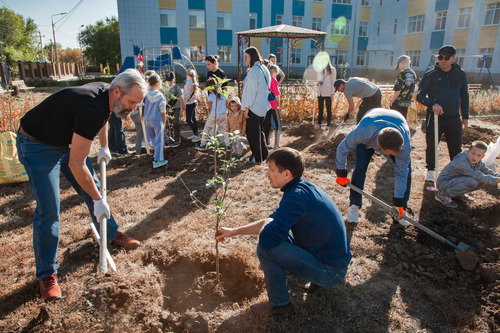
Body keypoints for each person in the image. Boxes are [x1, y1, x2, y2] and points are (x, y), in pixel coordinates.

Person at [16, 69, 146, 300]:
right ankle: (47, 275)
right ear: (117, 91)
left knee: (93, 185)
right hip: (37, 145)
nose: (133, 108)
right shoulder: (91, 107)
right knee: (49, 209)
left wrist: (104, 146)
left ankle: (110, 232)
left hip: (64, 140)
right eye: (132, 102)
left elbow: (104, 117)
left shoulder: (106, 94)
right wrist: (98, 200)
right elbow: (77, 164)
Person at [216, 148, 351, 317]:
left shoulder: (295, 197)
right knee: (275, 234)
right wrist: (234, 231)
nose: (267, 174)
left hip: (331, 272)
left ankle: (280, 306)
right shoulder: (300, 189)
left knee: (266, 250)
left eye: (271, 169)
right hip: (331, 260)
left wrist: (270, 228)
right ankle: (310, 279)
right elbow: (271, 222)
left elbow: (267, 239)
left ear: (286, 174)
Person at [335, 108, 412, 226]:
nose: (395, 156)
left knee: (406, 171)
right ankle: (354, 205)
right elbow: (342, 148)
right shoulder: (363, 132)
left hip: (396, 120)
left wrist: (399, 200)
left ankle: (401, 209)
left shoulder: (404, 146)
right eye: (391, 153)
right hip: (372, 123)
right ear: (379, 146)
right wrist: (341, 173)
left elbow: (401, 173)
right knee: (360, 167)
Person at [416, 45, 469, 182]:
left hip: (453, 117)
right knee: (432, 145)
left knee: (455, 146)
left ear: (453, 58)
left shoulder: (460, 74)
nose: (443, 61)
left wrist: (465, 116)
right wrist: (432, 103)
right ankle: (431, 170)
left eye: (446, 58)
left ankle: (456, 170)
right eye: (440, 58)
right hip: (435, 117)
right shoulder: (430, 75)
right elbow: (420, 96)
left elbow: (464, 96)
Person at [435, 140, 500, 208]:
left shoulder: (478, 161)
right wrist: (497, 180)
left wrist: (498, 176)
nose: (475, 157)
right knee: (473, 181)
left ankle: (458, 194)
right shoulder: (461, 162)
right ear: (468, 151)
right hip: (444, 184)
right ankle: (442, 195)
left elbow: (487, 171)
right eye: (473, 153)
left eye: (478, 155)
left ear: (482, 156)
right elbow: (480, 176)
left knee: (483, 182)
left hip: (456, 181)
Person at [241, 46, 271, 164]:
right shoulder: (264, 68)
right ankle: (263, 155)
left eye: (246, 57)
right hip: (262, 106)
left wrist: (246, 108)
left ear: (252, 57)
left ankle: (257, 158)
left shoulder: (254, 70)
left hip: (253, 106)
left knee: (253, 134)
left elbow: (251, 91)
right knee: (259, 132)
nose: (245, 59)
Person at [143, 73, 168, 168]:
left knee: (153, 139)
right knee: (159, 141)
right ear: (158, 83)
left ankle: (155, 154)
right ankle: (158, 160)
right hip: (157, 121)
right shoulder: (160, 97)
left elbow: (141, 106)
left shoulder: (146, 94)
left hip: (148, 120)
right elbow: (163, 111)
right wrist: (164, 121)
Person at [195, 78, 227, 151]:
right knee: (224, 129)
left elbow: (209, 107)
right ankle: (226, 144)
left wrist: (209, 115)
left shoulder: (211, 95)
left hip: (214, 115)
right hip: (223, 114)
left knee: (207, 128)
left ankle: (203, 144)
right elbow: (226, 104)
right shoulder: (223, 94)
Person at [390, 55, 417, 120]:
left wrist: (392, 101)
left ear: (402, 63)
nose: (399, 68)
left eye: (398, 65)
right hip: (407, 103)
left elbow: (398, 91)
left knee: (395, 120)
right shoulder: (413, 74)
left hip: (398, 103)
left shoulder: (402, 74)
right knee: (403, 120)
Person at [162, 71, 184, 148]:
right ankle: (169, 140)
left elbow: (181, 99)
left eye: (170, 80)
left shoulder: (176, 88)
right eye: (167, 80)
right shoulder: (164, 89)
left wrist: (181, 110)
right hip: (168, 109)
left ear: (173, 79)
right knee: (168, 125)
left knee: (176, 124)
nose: (169, 82)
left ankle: (177, 140)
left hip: (176, 108)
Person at [263, 64, 281, 150]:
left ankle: (267, 143)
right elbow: (277, 94)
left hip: (266, 104)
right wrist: (279, 103)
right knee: (278, 124)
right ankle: (276, 144)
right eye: (276, 73)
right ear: (274, 72)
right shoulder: (274, 80)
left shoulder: (266, 79)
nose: (276, 75)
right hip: (273, 105)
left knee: (267, 123)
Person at [316, 59, 337, 127]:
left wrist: (332, 94)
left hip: (328, 92)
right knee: (320, 109)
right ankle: (319, 124)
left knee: (328, 109)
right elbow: (317, 80)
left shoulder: (332, 70)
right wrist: (318, 83)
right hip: (320, 92)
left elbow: (333, 82)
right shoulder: (320, 70)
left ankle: (328, 125)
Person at [183, 69, 201, 143]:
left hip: (189, 103)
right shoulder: (194, 83)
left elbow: (186, 95)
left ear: (188, 75)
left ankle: (196, 135)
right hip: (193, 102)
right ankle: (195, 133)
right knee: (193, 119)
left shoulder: (188, 83)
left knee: (188, 119)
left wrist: (183, 102)